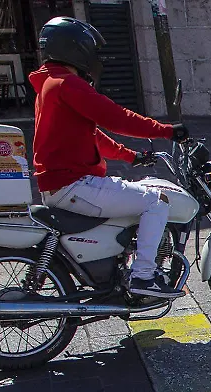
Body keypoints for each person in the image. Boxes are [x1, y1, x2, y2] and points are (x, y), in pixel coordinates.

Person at [29, 17, 188, 299]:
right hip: (74, 185)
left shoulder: (51, 84)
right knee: (156, 201)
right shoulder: (67, 84)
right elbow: (115, 117)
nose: (96, 58)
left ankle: (121, 266)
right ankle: (143, 276)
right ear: (76, 48)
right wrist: (166, 131)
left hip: (64, 185)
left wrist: (131, 156)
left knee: (136, 196)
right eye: (91, 50)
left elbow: (93, 136)